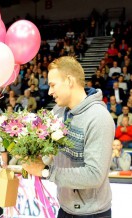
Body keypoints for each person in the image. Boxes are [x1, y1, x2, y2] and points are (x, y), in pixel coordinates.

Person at [23, 56, 114, 217]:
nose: (49, 91)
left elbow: (94, 175)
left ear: (69, 81)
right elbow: (47, 150)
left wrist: (46, 171)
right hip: (64, 209)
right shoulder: (58, 111)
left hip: (92, 213)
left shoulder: (99, 117)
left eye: (52, 85)